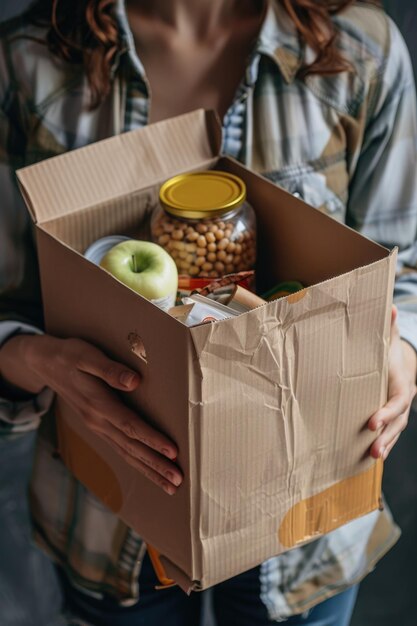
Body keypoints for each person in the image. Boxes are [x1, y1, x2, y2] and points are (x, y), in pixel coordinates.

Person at [0, 1, 416, 624]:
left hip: (306, 513)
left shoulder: (360, 48)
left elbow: (403, 268)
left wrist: (401, 350)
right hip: (110, 512)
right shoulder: (27, 60)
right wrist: (36, 359)